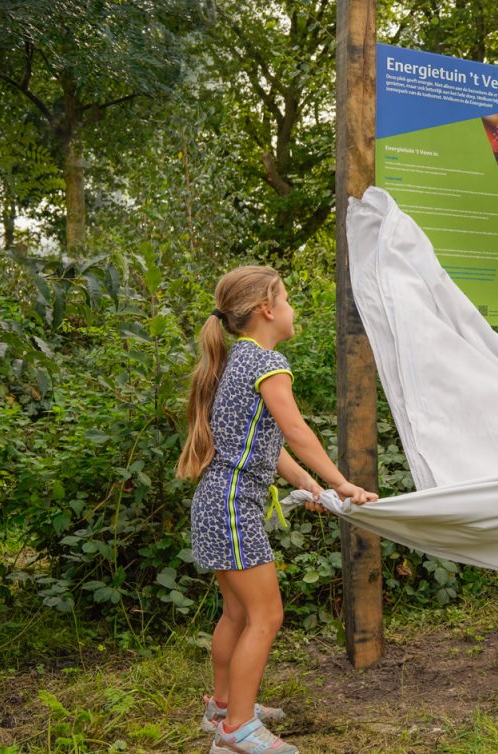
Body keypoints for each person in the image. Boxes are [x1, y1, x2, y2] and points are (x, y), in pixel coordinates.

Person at [176, 266, 378, 753]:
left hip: (216, 502)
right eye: (286, 299)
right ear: (267, 310)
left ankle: (223, 707)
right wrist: (343, 483)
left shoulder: (238, 360)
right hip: (233, 507)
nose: (291, 308)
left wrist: (310, 485)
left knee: (237, 615)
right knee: (266, 616)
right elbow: (296, 432)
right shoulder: (269, 363)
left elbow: (270, 445)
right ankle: (238, 730)